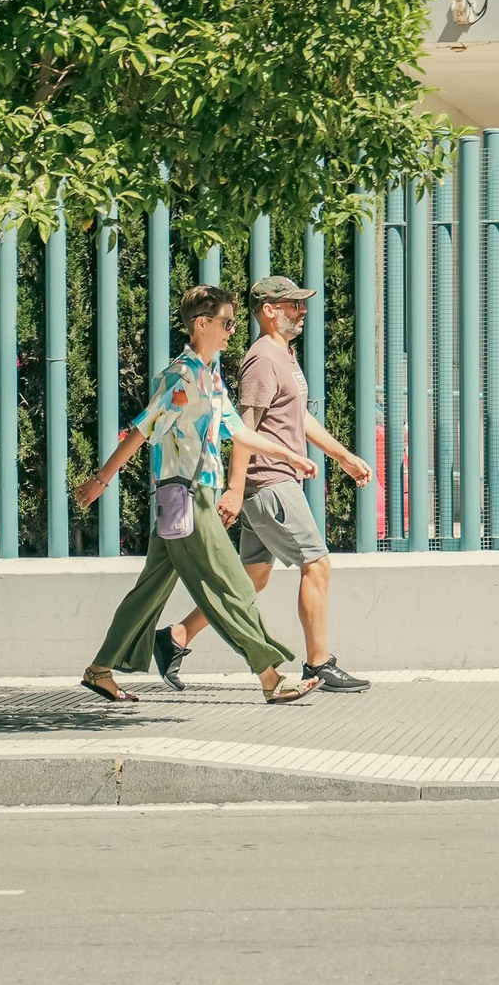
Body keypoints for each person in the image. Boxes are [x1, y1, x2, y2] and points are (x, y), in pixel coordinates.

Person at [73, 284, 323, 705]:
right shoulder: (181, 376)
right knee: (232, 586)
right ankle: (271, 678)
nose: (231, 330)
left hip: (188, 498)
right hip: (188, 497)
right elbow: (142, 429)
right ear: (201, 324)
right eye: (225, 323)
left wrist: (289, 455)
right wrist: (101, 480)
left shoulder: (209, 376)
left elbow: (239, 431)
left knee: (149, 590)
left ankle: (99, 670)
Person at [155, 275, 374, 694]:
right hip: (268, 482)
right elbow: (243, 429)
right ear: (269, 311)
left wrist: (343, 456)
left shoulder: (284, 355)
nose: (302, 310)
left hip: (273, 480)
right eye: (293, 304)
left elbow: (297, 418)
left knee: (252, 576)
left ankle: (175, 637)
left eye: (302, 304)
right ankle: (318, 663)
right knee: (317, 563)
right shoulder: (261, 360)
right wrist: (236, 490)